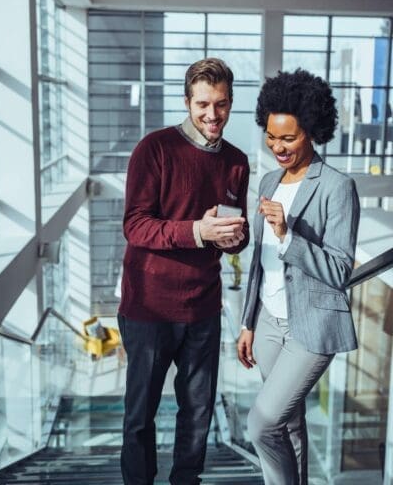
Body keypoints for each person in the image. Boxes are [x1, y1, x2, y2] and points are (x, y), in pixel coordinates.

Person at [118, 57, 250, 485]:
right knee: (141, 415)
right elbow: (135, 225)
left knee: (198, 414)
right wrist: (197, 231)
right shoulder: (154, 149)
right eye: (204, 104)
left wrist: (235, 238)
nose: (213, 115)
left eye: (223, 104)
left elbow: (238, 228)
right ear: (187, 101)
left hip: (203, 308)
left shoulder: (237, 161)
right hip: (149, 309)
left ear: (231, 103)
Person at [237, 69, 360, 485]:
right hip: (268, 325)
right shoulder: (269, 181)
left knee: (261, 424)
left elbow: (341, 269)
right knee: (288, 425)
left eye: (288, 138)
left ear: (311, 130)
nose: (278, 147)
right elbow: (259, 260)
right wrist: (247, 322)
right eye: (271, 136)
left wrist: (289, 235)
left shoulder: (337, 187)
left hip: (311, 328)